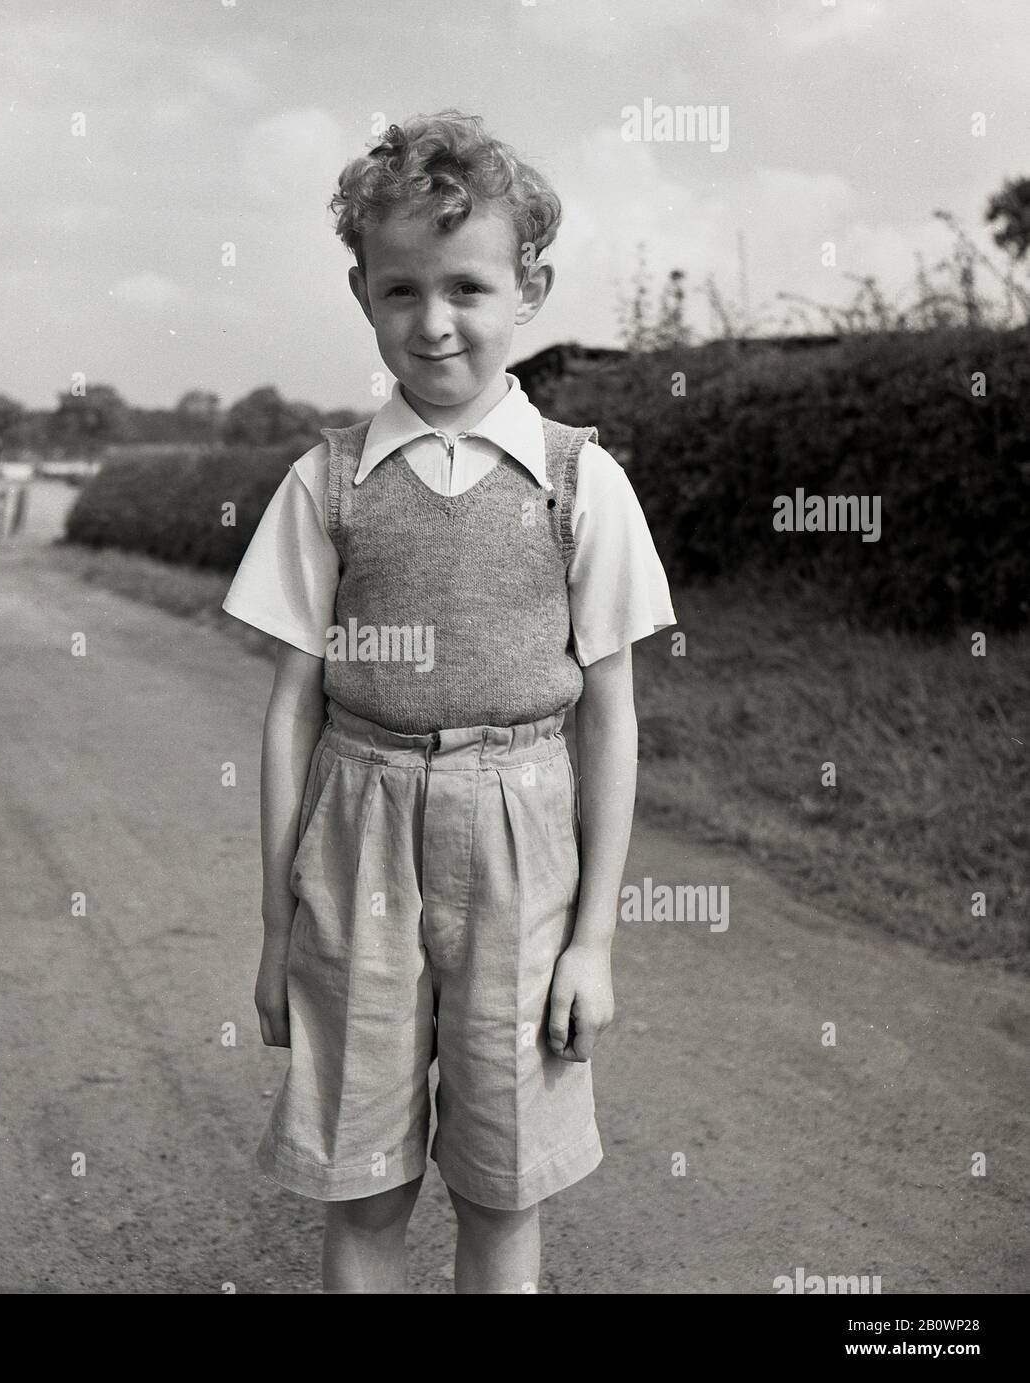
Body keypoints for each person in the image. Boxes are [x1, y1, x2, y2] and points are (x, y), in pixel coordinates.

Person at [222, 109, 676, 1293]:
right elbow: (289, 712)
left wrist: (592, 941)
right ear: (362, 293)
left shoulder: (582, 480)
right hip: (357, 827)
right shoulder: (325, 483)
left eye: (468, 286)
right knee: (362, 1185)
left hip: (522, 835)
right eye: (401, 291)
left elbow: (612, 714)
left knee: (501, 1184)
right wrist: (278, 930)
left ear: (530, 288)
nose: (433, 324)